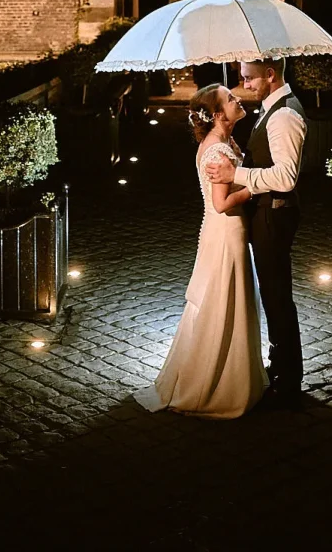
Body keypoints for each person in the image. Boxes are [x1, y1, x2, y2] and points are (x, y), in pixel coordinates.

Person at [133, 83, 268, 418]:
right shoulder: (216, 151)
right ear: (219, 114)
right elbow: (221, 203)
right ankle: (214, 383)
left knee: (225, 299)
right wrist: (253, 186)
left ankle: (232, 376)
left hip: (225, 231)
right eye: (231, 98)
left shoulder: (224, 142)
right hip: (226, 232)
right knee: (221, 301)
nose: (239, 99)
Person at [205, 57, 306, 409]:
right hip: (266, 215)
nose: (244, 86)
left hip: (275, 216)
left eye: (249, 78)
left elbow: (285, 178)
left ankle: (287, 381)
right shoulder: (270, 108)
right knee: (272, 296)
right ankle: (280, 369)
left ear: (269, 75)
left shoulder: (285, 115)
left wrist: (238, 173)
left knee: (277, 298)